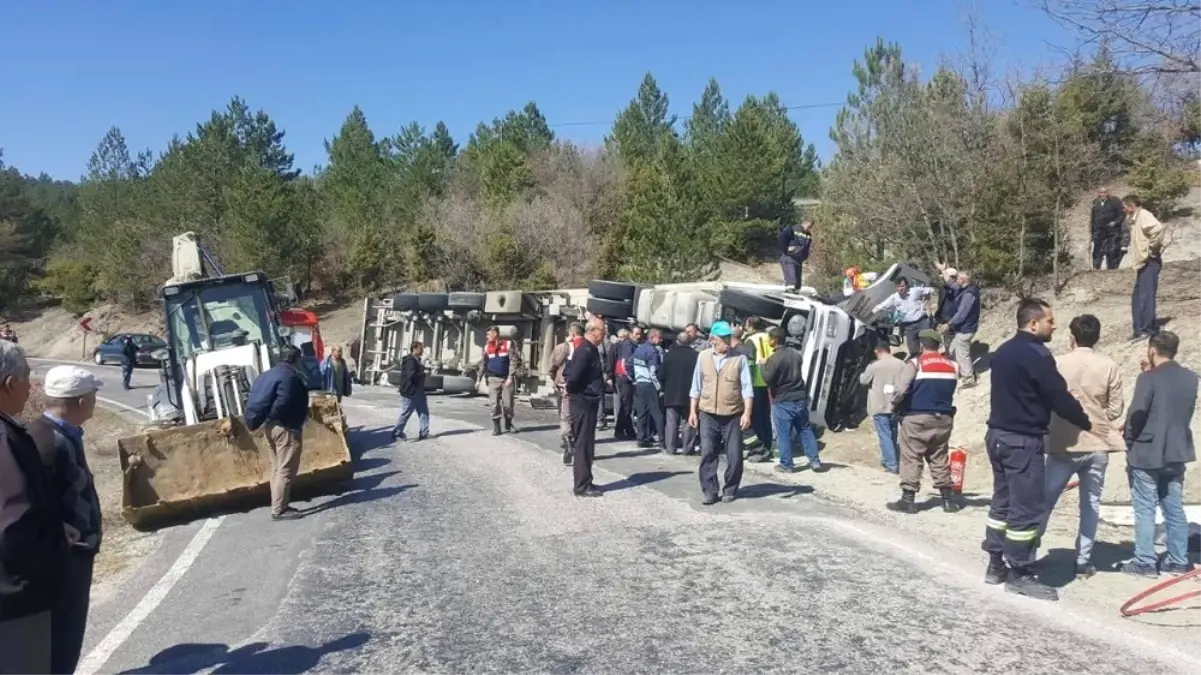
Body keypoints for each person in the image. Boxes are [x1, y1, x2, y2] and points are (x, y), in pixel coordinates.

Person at [984, 298, 1091, 601]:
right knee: (1027, 508)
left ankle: (995, 563)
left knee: (1002, 503)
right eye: (1049, 321)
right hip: (1022, 440)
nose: (1054, 325)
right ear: (1033, 324)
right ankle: (1020, 572)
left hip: (998, 436)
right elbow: (1057, 395)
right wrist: (1085, 421)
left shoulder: (1003, 351)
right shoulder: (1036, 354)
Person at [27, 366, 104, 675]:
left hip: (75, 550)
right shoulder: (48, 441)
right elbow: (31, 498)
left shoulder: (61, 434)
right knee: (64, 634)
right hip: (65, 556)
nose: (96, 400)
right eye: (93, 395)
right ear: (82, 401)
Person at [1041, 314, 1125, 579]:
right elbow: (1116, 408)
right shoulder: (1108, 365)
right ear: (1097, 337)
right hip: (1098, 443)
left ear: (1071, 338)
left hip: (1063, 443)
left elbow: (1045, 399)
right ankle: (1083, 560)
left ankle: (1029, 549)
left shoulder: (1057, 363)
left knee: (1045, 502)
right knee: (1090, 505)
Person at [0, 341, 66, 675]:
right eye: (27, 378)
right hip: (15, 599)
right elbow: (14, 520)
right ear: (10, 383)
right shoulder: (5, 438)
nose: (31, 387)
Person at [1122, 331, 1198, 578]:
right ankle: (1178, 560)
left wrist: (1129, 441)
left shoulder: (1148, 379)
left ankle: (1145, 562)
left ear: (1152, 350)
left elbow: (1138, 413)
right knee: (1173, 507)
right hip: (1176, 451)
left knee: (1145, 508)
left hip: (1147, 451)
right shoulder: (1190, 378)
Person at [887, 329, 962, 514]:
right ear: (938, 345)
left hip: (917, 418)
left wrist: (894, 405)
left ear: (921, 345)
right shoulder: (953, 365)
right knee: (939, 457)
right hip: (944, 419)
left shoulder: (915, 363)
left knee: (911, 456)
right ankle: (947, 500)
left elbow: (901, 390)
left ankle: (908, 499)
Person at [689, 321, 754, 505]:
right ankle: (710, 490)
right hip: (708, 413)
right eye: (723, 337)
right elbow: (696, 386)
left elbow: (747, 389)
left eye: (728, 337)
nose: (727, 341)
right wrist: (692, 412)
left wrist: (747, 413)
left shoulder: (739, 359)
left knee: (734, 455)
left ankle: (730, 489)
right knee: (708, 453)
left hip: (732, 414)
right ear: (713, 339)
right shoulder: (703, 357)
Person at [244, 345, 310, 521]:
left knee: (276, 468)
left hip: (269, 427)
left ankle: (279, 505)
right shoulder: (289, 376)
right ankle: (279, 510)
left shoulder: (268, 374)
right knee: (285, 469)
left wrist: (270, 419)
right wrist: (277, 418)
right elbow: (284, 400)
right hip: (284, 427)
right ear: (296, 359)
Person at [761, 327, 821, 474]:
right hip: (799, 397)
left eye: (769, 338)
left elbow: (767, 379)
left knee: (783, 434)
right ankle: (814, 461)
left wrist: (762, 365)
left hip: (783, 400)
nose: (768, 341)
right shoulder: (796, 354)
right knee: (805, 429)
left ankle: (786, 464)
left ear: (774, 340)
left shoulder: (774, 359)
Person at [563, 318, 606, 497]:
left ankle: (586, 480)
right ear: (593, 331)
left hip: (589, 401)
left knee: (588, 444)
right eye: (602, 331)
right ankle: (581, 485)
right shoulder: (584, 350)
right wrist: (574, 392)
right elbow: (572, 376)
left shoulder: (591, 349)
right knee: (582, 444)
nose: (604, 335)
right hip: (583, 402)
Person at [1125, 194, 1170, 341]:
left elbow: (1158, 229)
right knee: (1137, 297)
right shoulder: (1134, 218)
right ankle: (1139, 329)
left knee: (1146, 297)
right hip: (1142, 263)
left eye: (1125, 207)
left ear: (1131, 206)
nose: (1123, 210)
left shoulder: (1144, 215)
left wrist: (1152, 248)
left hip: (1150, 262)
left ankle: (1147, 330)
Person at [860, 342, 905, 474]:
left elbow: (863, 380)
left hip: (879, 404)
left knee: (884, 435)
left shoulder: (874, 366)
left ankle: (891, 464)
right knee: (893, 433)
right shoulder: (901, 364)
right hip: (895, 405)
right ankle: (888, 459)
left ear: (877, 351)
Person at [477, 326, 523, 436]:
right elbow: (483, 364)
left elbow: (513, 361)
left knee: (508, 404)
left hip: (506, 379)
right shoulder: (487, 347)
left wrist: (510, 377)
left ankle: (508, 423)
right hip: (493, 379)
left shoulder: (507, 345)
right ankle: (496, 427)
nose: (487, 337)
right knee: (494, 404)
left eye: (489, 334)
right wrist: (478, 379)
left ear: (495, 334)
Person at [872, 278, 934, 359]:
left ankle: (932, 360)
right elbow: (881, 306)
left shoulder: (915, 291)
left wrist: (927, 302)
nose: (900, 288)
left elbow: (930, 290)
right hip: (909, 326)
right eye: (898, 286)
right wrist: (872, 311)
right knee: (913, 349)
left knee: (929, 344)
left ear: (906, 285)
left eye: (902, 286)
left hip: (922, 322)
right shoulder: (894, 298)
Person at [549, 324, 585, 464]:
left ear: (571, 333)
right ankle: (580, 446)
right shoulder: (590, 347)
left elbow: (554, 364)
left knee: (565, 417)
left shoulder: (564, 347)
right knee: (580, 418)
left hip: (566, 386)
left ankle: (568, 443)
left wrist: (553, 378)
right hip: (584, 389)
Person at [743, 317, 776, 463]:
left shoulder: (750, 340)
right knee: (766, 416)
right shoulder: (769, 337)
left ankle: (760, 448)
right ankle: (768, 445)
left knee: (755, 417)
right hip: (769, 381)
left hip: (756, 380)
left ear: (750, 326)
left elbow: (748, 362)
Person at [660, 332, 700, 456]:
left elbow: (661, 375)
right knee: (689, 422)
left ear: (677, 341)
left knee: (672, 422)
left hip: (672, 394)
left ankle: (670, 448)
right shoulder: (696, 356)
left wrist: (664, 388)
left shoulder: (668, 355)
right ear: (690, 342)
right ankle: (687, 448)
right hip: (690, 394)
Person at [941, 270, 980, 387]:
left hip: (966, 329)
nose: (955, 279)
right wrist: (943, 270)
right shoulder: (963, 289)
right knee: (952, 351)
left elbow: (962, 313)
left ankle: (969, 379)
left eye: (957, 278)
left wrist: (949, 325)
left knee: (962, 354)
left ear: (963, 280)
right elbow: (950, 283)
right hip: (962, 329)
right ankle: (961, 372)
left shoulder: (969, 294)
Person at [630, 328, 665, 450]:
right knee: (657, 413)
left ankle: (641, 438)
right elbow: (653, 372)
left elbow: (628, 364)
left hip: (640, 384)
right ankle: (662, 440)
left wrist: (634, 379)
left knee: (642, 413)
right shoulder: (653, 352)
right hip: (650, 385)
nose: (661, 340)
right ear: (653, 337)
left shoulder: (639, 349)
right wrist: (659, 388)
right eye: (660, 337)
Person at [392, 342, 430, 442]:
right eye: (420, 348)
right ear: (414, 349)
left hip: (419, 391)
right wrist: (423, 374)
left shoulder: (417, 360)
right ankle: (397, 433)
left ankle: (424, 433)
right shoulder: (409, 361)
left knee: (424, 412)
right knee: (406, 413)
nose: (422, 351)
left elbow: (417, 372)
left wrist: (424, 371)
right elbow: (411, 375)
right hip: (411, 392)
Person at [611, 326, 641, 440]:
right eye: (636, 334)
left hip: (624, 378)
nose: (639, 336)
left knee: (627, 405)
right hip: (625, 379)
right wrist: (632, 378)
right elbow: (625, 363)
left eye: (639, 334)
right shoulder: (628, 346)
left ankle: (629, 431)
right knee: (626, 406)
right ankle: (619, 430)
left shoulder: (631, 345)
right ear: (631, 334)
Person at [1090, 187, 1126, 270]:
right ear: (1098, 193)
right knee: (1097, 251)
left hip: (1112, 231)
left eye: (1104, 192)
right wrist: (1092, 232)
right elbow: (1093, 218)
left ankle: (1111, 269)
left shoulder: (1115, 201)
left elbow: (1122, 214)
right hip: (1099, 231)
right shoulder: (1096, 202)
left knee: (1111, 250)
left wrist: (1115, 222)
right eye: (1101, 192)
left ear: (1108, 192)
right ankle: (1096, 268)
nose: (1102, 194)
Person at [778, 220, 813, 292]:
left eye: (811, 227)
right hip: (789, 257)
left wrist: (805, 256)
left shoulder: (808, 235)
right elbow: (782, 237)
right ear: (804, 223)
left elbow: (807, 247)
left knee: (797, 285)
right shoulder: (793, 229)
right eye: (809, 226)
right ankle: (789, 291)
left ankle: (795, 293)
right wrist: (786, 250)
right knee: (791, 280)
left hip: (798, 260)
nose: (809, 229)